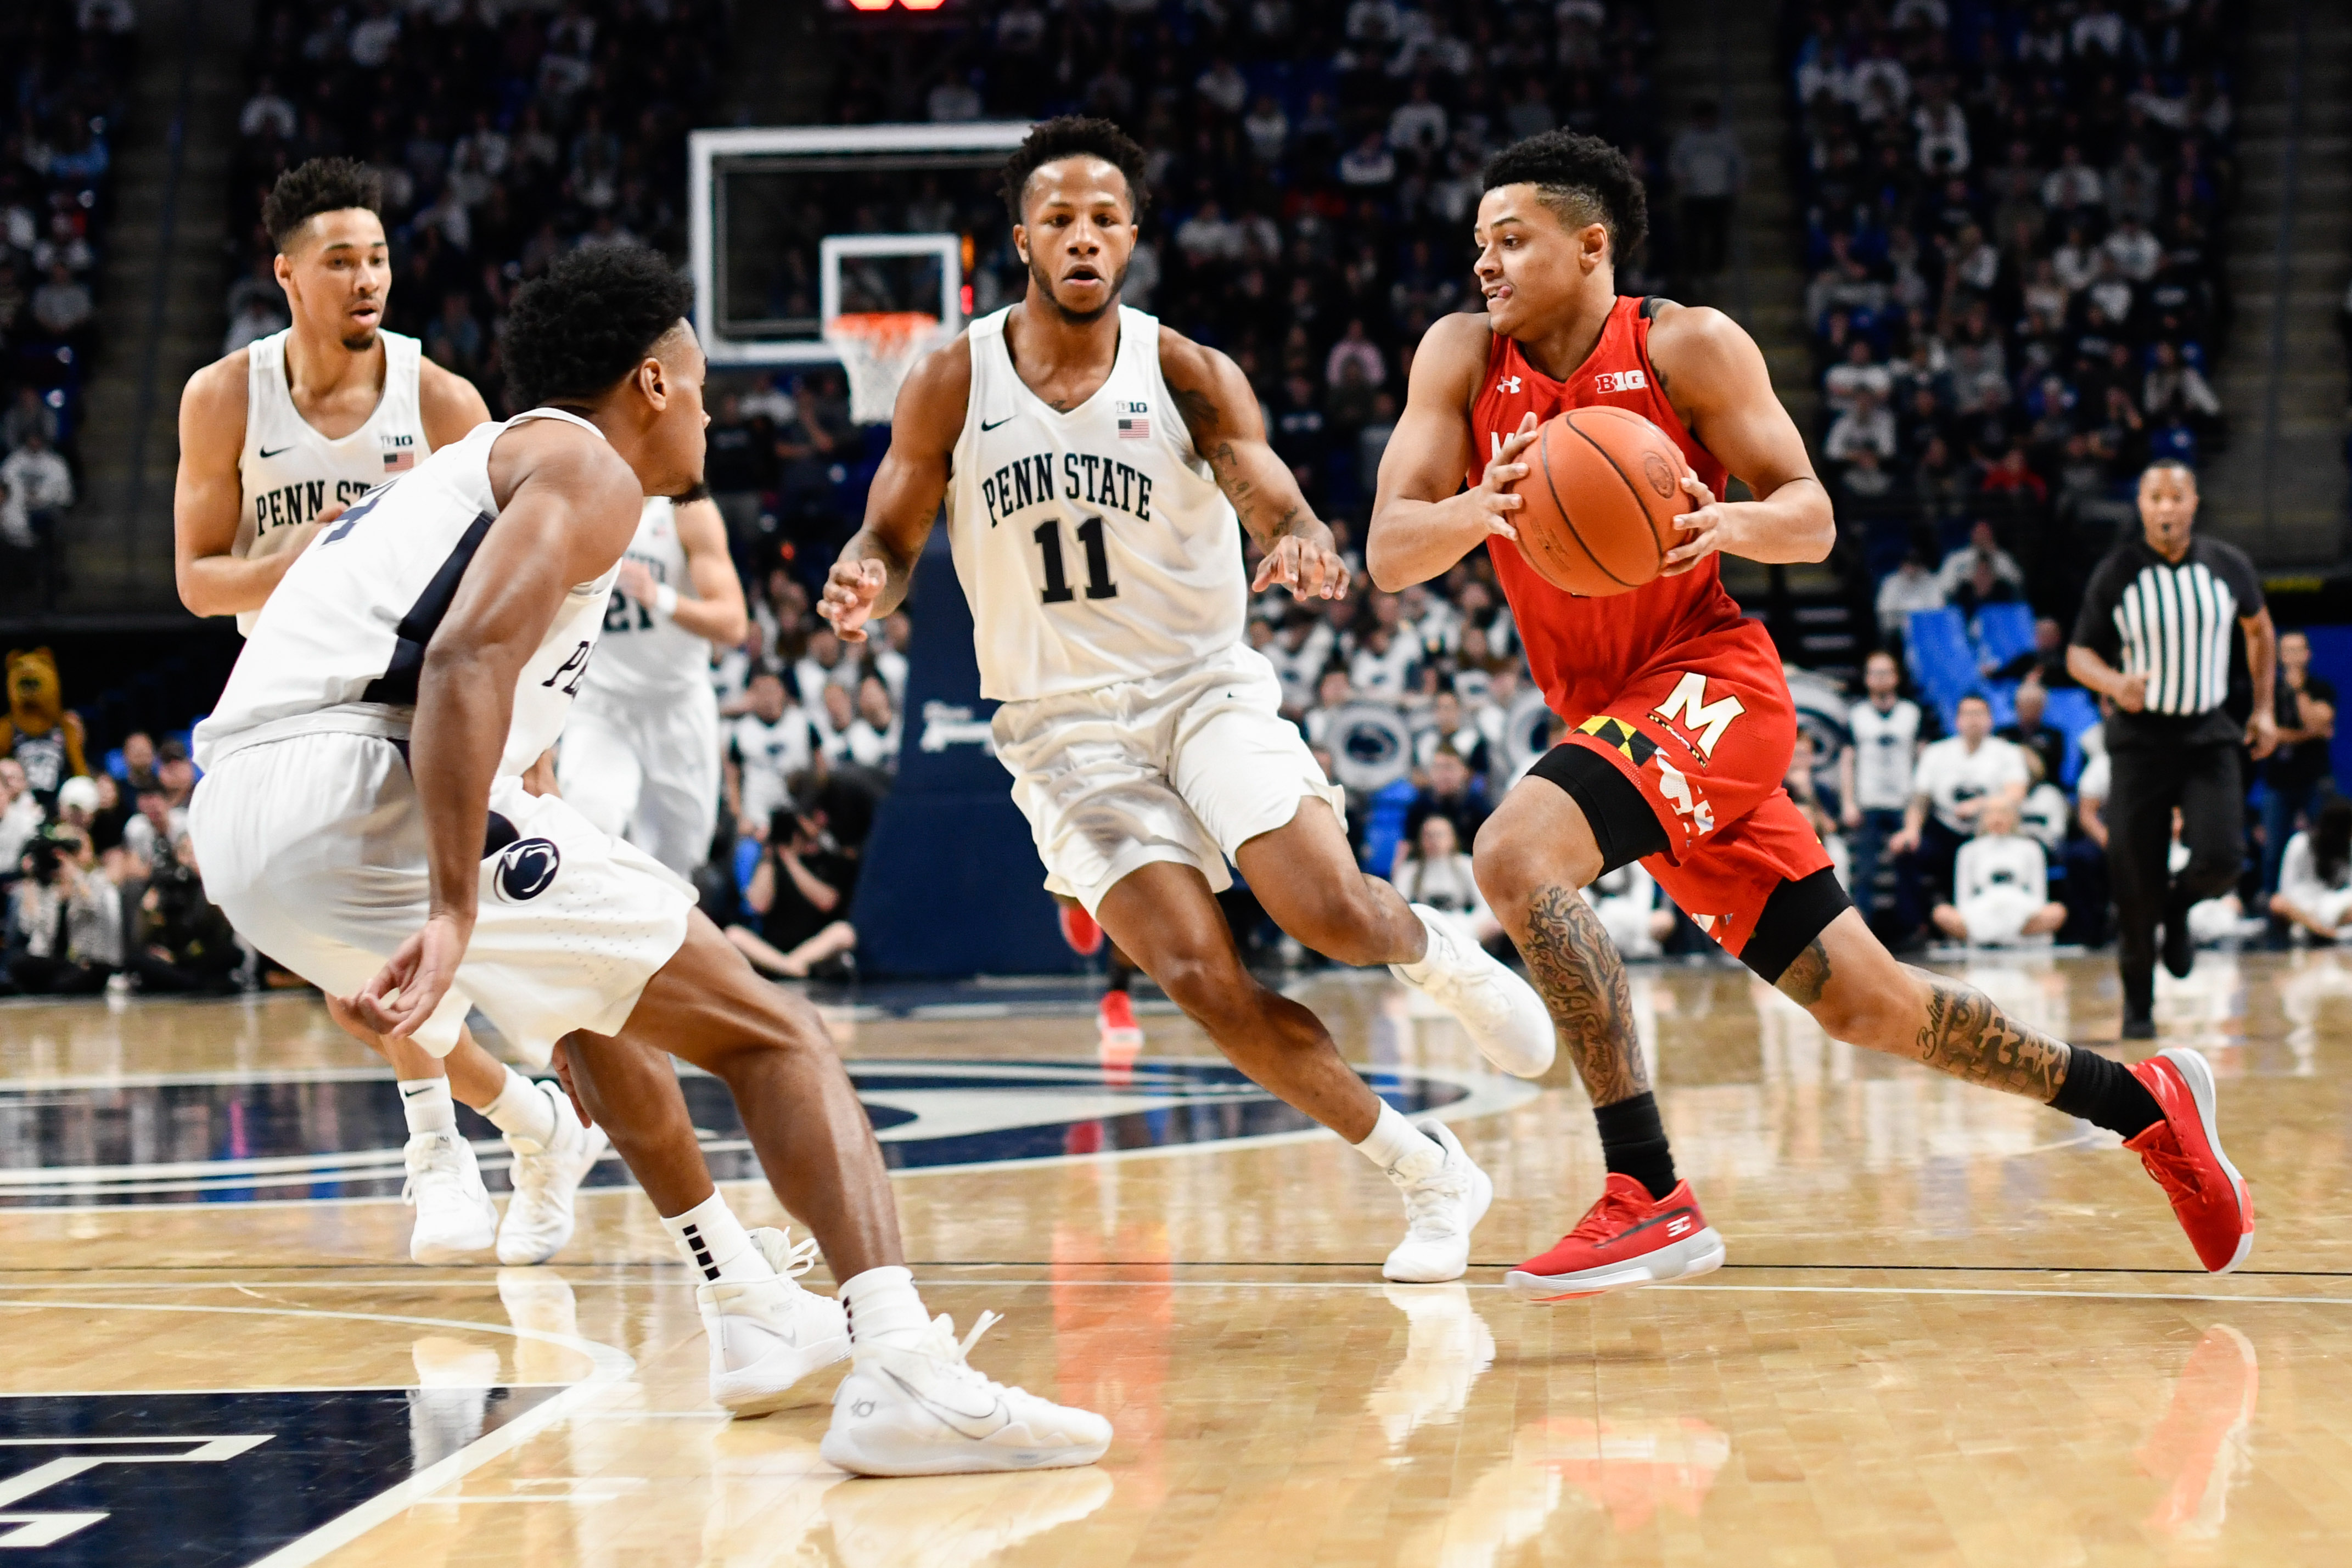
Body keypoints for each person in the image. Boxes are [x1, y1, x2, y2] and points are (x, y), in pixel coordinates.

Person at [185, 244, 1107, 1473]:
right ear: (654, 383)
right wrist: (455, 907)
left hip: (247, 819)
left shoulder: (476, 474)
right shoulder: (585, 462)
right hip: (355, 779)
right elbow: (462, 664)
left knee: (593, 1008)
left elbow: (467, 684)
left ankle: (747, 1309)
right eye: (703, 379)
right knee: (772, 1032)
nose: (714, 407)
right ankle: (902, 1366)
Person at [1365, 128, 2250, 1297]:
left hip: (1711, 685)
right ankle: (2142, 1103)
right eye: (1478, 243)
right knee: (1868, 1005)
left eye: (1511, 240)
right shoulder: (1462, 360)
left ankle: (1649, 1191)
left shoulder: (1684, 343)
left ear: (1591, 247)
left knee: (1518, 853)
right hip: (1613, 724)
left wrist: (1721, 524)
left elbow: (1811, 514)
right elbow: (1386, 552)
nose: (1484, 264)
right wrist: (1486, 503)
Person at [819, 118, 1557, 1288]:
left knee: (1325, 911)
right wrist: (867, 570)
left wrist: (1303, 539)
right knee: (1202, 982)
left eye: (1104, 219)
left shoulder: (1182, 369)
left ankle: (1435, 952)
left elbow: (1267, 490)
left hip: (1199, 688)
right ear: (1022, 239)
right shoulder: (953, 377)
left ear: (1131, 240)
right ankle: (1429, 1173)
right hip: (1058, 731)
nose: (1081, 237)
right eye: (1058, 218)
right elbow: (894, 522)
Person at [169, 158, 599, 1268]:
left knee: (459, 950)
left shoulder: (443, 400)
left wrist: (540, 741)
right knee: (351, 949)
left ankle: (471, 1145)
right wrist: (316, 555)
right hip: (290, 706)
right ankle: (511, 1131)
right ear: (287, 276)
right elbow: (197, 580)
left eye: (378, 258)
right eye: (340, 261)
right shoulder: (225, 397)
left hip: (423, 699)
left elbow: (522, 568)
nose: (367, 279)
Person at [2067, 459, 2275, 1038]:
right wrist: (2114, 684)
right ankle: (2138, 1008)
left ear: (2193, 502)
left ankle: (2180, 908)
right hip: (2138, 742)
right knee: (2132, 876)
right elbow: (2078, 655)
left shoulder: (2226, 565)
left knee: (2223, 858)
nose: (2165, 507)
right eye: (2154, 497)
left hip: (2207, 733)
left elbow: (2259, 630)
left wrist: (2261, 709)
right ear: (2140, 505)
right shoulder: (2118, 571)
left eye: (2175, 497)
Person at [555, 489, 748, 875]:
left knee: (679, 860)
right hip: (600, 705)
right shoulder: (578, 504)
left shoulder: (687, 512)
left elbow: (733, 624)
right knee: (590, 826)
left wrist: (657, 595)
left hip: (676, 704)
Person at [1891, 694, 2027, 908]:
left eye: (1979, 714)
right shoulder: (1936, 753)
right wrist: (1911, 830)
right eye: (1968, 714)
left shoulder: (2008, 752)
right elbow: (1920, 798)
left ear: (1990, 720)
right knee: (1906, 851)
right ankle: (1914, 930)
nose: (1973, 720)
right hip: (1945, 830)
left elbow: (2015, 795)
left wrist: (1978, 806)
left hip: (1988, 831)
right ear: (1957, 721)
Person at [1839, 649, 1921, 935]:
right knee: (1864, 871)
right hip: (1869, 801)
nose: (1881, 678)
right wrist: (1848, 802)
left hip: (1904, 801)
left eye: (1886, 672)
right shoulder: (1856, 715)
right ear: (1867, 679)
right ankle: (1865, 932)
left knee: (1909, 865)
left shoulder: (1913, 713)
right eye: (1875, 673)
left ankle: (1910, 931)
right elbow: (1848, 760)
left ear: (1896, 677)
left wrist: (1918, 809)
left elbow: (1921, 759)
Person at [2259, 628, 2336, 895]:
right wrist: (2311, 734)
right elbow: (2266, 733)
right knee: (2274, 850)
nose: (2291, 656)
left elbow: (2318, 721)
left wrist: (2299, 690)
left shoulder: (2320, 688)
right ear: (2279, 655)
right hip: (2279, 781)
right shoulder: (2267, 691)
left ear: (2307, 654)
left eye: (2297, 650)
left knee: (2324, 843)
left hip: (2315, 779)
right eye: (2286, 650)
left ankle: (2327, 897)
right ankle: (2272, 905)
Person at [1932, 797, 2067, 946]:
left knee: (2057, 912)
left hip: (2023, 910)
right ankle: (2001, 938)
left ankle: (1992, 939)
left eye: (2003, 813)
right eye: (1992, 813)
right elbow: (1962, 899)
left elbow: (2040, 896)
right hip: (1980, 912)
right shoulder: (1968, 850)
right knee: (1942, 913)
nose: (1997, 818)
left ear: (2014, 816)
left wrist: (2017, 912)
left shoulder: (2032, 848)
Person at [1388, 813, 1502, 948]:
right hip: (1424, 928)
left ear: (1452, 838)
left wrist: (1471, 927)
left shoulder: (1467, 865)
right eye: (1429, 836)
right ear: (1421, 839)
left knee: (1495, 925)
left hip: (1464, 925)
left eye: (1440, 835)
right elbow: (1399, 909)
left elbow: (1484, 907)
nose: (1434, 841)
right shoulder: (1409, 870)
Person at [2271, 796, 2352, 941]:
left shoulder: (2348, 847)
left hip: (2335, 907)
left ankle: (2317, 931)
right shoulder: (2299, 843)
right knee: (2277, 903)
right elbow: (2285, 889)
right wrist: (2307, 914)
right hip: (2302, 907)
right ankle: (2323, 932)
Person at [1997, 679, 2067, 786]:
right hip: (2007, 785)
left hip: (2044, 786)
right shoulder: (2002, 734)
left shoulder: (2054, 735)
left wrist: (2018, 750)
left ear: (2043, 707)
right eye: (2026, 703)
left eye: (2035, 704)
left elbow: (2049, 769)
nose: (2030, 708)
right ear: (2017, 706)